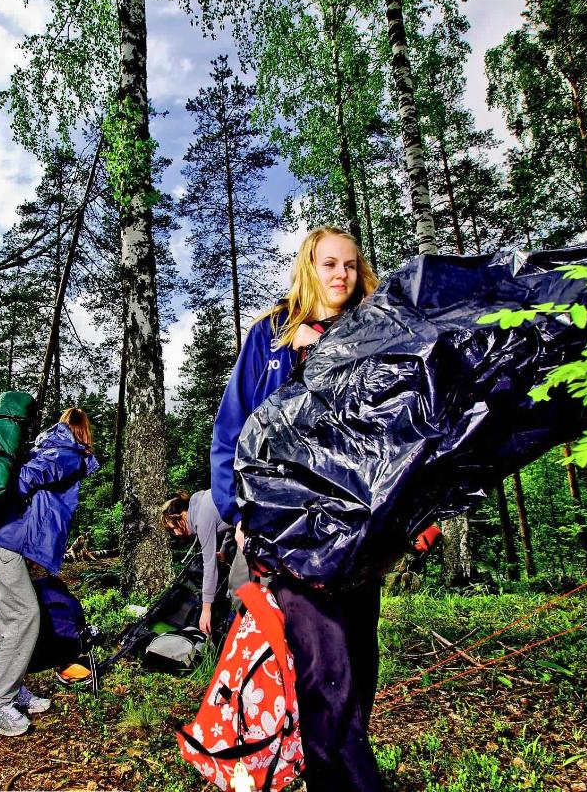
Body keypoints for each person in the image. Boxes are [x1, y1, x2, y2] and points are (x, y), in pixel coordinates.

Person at [210, 227, 385, 791]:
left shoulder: (375, 333)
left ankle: (318, 760)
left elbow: (398, 437)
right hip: (286, 528)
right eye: (329, 263)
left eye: (350, 266)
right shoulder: (271, 335)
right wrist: (239, 515)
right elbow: (232, 430)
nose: (340, 274)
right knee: (323, 660)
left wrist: (413, 516)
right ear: (308, 266)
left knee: (356, 659)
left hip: (355, 530)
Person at [0, 407, 99, 737]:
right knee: (26, 614)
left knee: (9, 618)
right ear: (83, 431)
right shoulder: (68, 454)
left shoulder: (47, 443)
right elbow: (28, 477)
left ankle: (13, 692)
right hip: (3, 540)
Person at [159, 490, 247, 635]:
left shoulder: (201, 519)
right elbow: (231, 518)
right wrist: (224, 550)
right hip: (248, 517)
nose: (176, 533)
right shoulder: (201, 504)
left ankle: (249, 633)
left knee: (237, 585)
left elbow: (210, 568)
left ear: (183, 515)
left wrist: (206, 611)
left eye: (174, 527)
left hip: (254, 522)